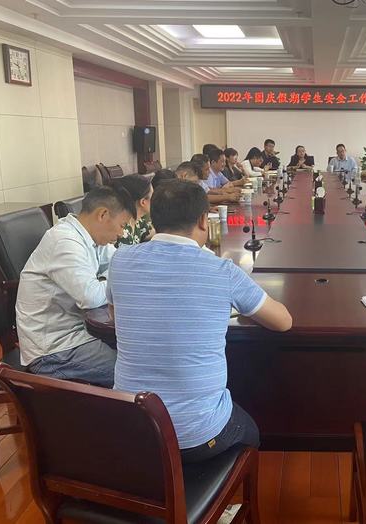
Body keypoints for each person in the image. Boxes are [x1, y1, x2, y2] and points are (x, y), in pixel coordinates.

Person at [108, 179, 292, 463]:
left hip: (132, 426)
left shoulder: (120, 260)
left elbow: (114, 316)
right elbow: (283, 321)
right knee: (251, 432)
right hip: (196, 437)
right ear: (204, 221)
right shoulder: (221, 271)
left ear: (154, 219)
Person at [16, 186, 135, 387]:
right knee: (133, 373)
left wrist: (110, 279)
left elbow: (120, 264)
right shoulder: (64, 240)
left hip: (80, 331)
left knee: (138, 354)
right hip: (54, 350)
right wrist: (116, 281)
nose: (122, 233)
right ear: (103, 215)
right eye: (122, 225)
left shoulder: (91, 237)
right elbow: (91, 297)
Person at [110, 174, 154, 246]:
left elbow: (155, 234)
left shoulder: (139, 221)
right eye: (153, 196)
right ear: (143, 202)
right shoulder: (122, 230)